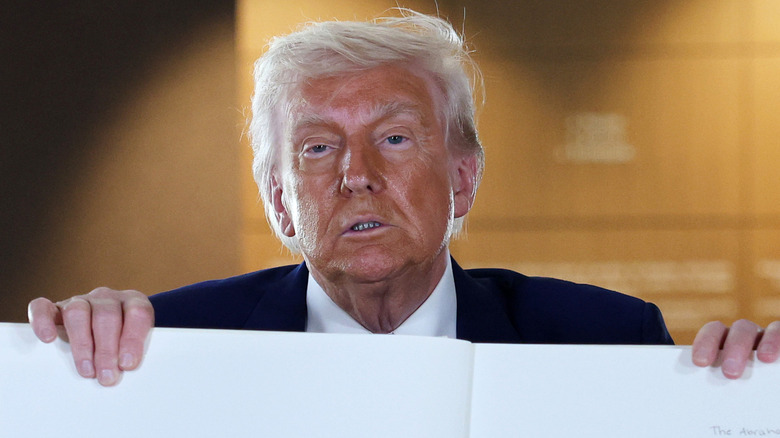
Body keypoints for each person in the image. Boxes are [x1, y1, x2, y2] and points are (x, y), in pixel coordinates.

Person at [28, 10, 780, 387]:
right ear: (280, 202)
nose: (356, 174)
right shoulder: (168, 347)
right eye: (317, 147)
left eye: (394, 138)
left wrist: (748, 400)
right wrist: (69, 372)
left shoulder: (606, 342)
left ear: (462, 179)